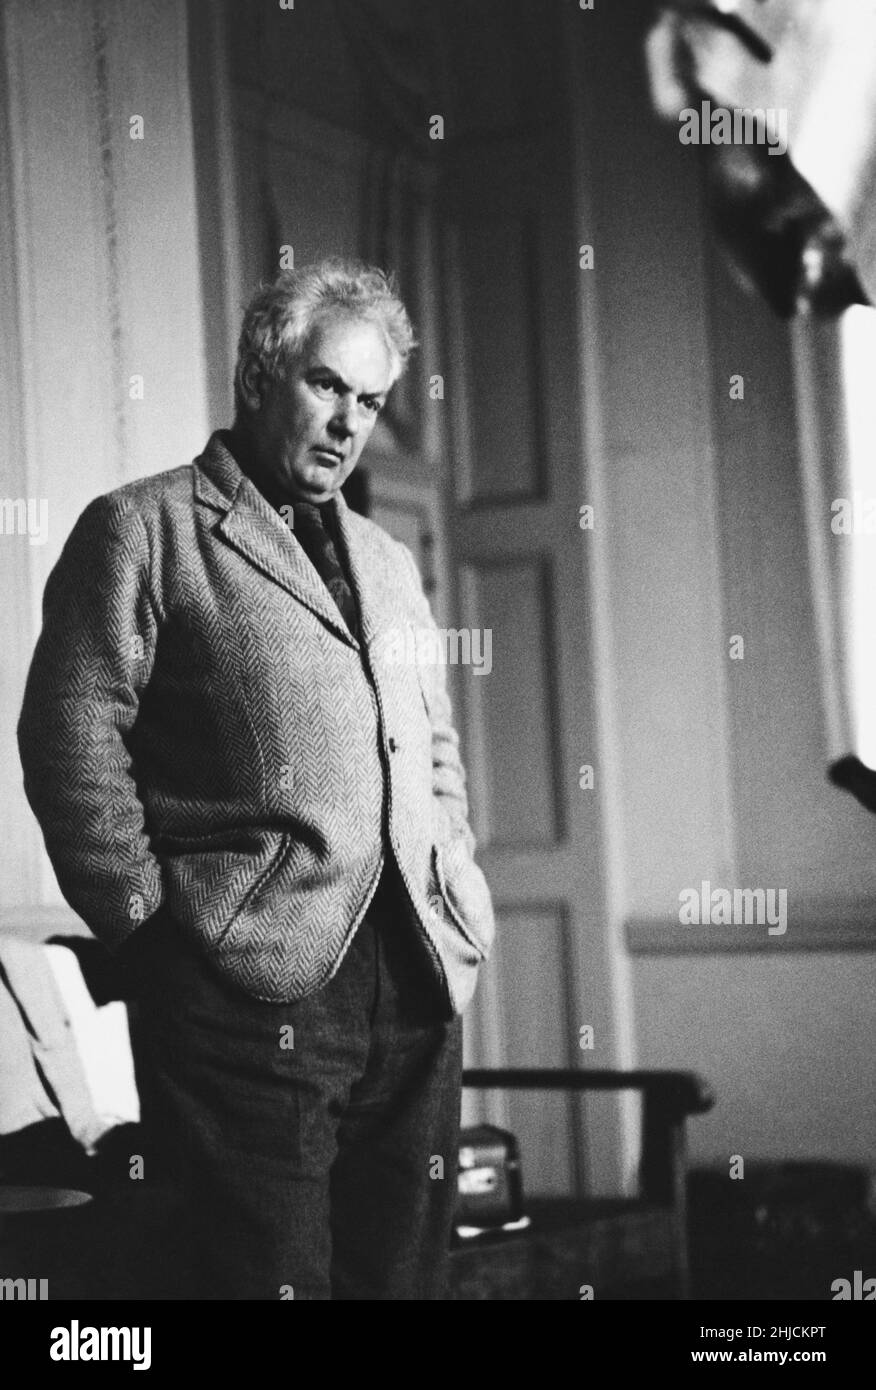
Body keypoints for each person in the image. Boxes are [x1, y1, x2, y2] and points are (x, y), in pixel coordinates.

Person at [17, 258, 496, 1300]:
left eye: (369, 401)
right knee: (264, 1280)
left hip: (415, 978)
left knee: (401, 1281)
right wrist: (148, 934)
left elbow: (433, 744)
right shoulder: (143, 528)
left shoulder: (385, 560)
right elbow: (70, 734)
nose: (348, 422)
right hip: (247, 993)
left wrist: (455, 887)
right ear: (259, 374)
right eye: (328, 385)